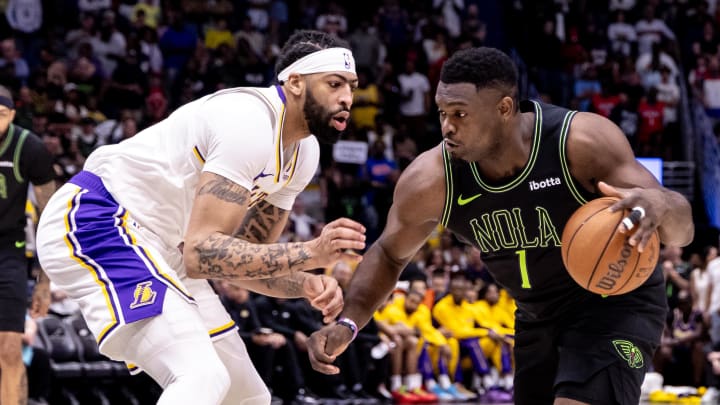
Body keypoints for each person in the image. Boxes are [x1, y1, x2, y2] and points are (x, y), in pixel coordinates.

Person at [307, 47, 694, 405]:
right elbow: (390, 253)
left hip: (615, 302)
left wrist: (661, 203)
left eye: (460, 114)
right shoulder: (433, 179)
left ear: (505, 108)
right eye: (442, 113)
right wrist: (348, 322)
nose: (447, 127)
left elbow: (683, 231)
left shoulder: (579, 141)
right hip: (535, 315)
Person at [36, 30, 365, 405]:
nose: (346, 98)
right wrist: (311, 252)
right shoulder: (249, 122)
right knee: (200, 377)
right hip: (101, 219)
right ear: (294, 82)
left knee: (248, 396)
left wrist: (304, 284)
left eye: (352, 87)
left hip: (163, 248)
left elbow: (240, 262)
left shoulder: (304, 154)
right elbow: (202, 255)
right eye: (334, 84)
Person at [0, 85, 55, 405]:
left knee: (9, 350)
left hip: (9, 249)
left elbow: (50, 217)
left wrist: (44, 283)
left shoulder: (29, 148)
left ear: (13, 116)